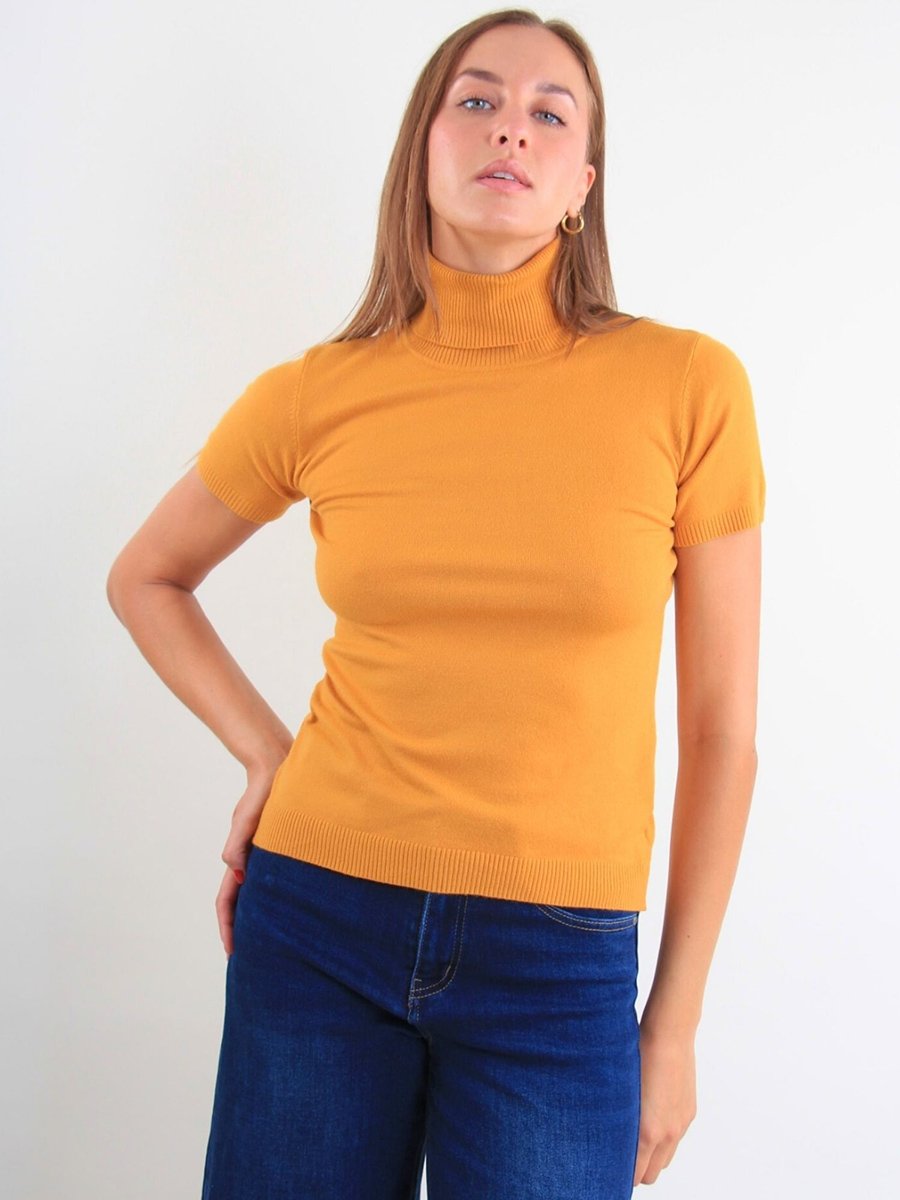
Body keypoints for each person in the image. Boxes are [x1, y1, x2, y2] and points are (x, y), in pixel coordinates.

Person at [106, 9, 766, 1198]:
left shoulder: (687, 389)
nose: (511, 127)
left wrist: (672, 1027)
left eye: (549, 113)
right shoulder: (319, 392)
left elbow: (723, 733)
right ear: (424, 147)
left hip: (558, 965)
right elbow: (146, 576)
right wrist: (266, 755)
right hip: (316, 917)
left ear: (583, 184)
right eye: (477, 99)